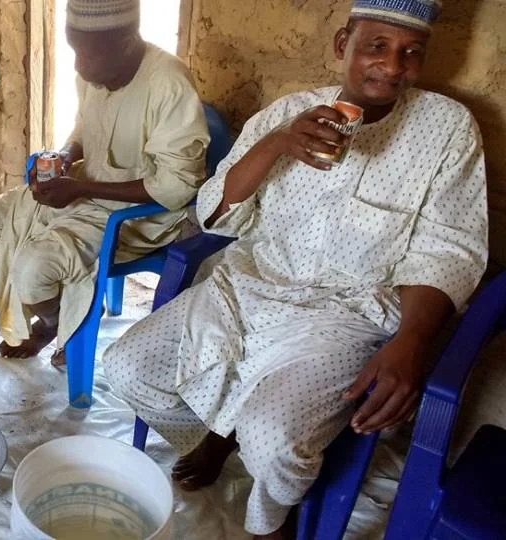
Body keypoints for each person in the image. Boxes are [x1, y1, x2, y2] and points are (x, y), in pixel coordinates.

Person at [103, 0, 488, 537]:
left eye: (411, 53)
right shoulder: (288, 112)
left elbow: (450, 249)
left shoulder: (447, 129)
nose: (393, 66)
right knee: (127, 367)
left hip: (346, 314)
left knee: (276, 440)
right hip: (246, 289)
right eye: (376, 46)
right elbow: (214, 211)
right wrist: (278, 144)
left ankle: (271, 522)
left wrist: (413, 342)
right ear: (342, 46)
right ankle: (217, 433)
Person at [0, 0, 209, 367]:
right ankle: (57, 310)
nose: (77, 65)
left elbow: (177, 186)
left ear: (125, 42)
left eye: (86, 55)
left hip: (137, 217)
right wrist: (62, 156)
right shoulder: (95, 72)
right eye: (73, 50)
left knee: (30, 270)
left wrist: (83, 190)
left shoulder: (167, 83)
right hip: (83, 192)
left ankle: (52, 323)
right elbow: (83, 128)